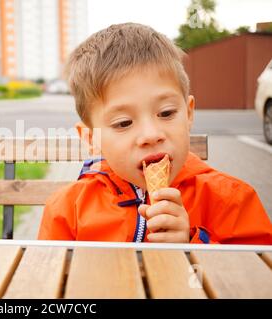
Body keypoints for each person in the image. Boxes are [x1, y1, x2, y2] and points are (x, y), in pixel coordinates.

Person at [37, 23, 272, 244]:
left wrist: (194, 245)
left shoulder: (231, 200)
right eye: (123, 123)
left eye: (166, 113)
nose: (151, 135)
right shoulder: (68, 210)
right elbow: (48, 278)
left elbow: (253, 278)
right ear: (91, 138)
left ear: (188, 114)